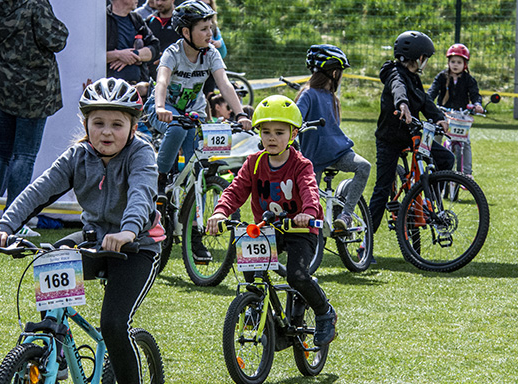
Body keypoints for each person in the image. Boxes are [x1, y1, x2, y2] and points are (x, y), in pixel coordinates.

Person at [0, 78, 164, 384]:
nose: (106, 132)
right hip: (94, 239)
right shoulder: (76, 157)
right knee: (51, 259)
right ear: (86, 125)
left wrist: (130, 229)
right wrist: (5, 226)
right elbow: (39, 190)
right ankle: (55, 350)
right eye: (98, 122)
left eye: (117, 124)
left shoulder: (142, 154)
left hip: (138, 246)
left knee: (115, 324)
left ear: (132, 127)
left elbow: (141, 193)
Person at [206, 95, 336, 347]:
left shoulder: (301, 165)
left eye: (279, 132)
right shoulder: (254, 163)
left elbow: (310, 189)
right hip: (266, 229)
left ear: (293, 134)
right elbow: (235, 190)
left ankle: (324, 312)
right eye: (266, 132)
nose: (272, 138)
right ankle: (257, 310)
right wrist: (220, 212)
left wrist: (308, 212)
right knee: (251, 272)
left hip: (300, 229)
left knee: (297, 276)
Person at [146, 0, 251, 260]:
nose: (210, 33)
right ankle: (160, 179)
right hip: (164, 110)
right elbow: (161, 81)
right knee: (178, 129)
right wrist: (160, 106)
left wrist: (239, 113)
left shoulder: (211, 53)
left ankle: (194, 235)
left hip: (194, 113)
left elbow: (225, 84)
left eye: (211, 27)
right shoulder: (173, 53)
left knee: (198, 170)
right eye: (203, 28)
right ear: (185, 32)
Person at [0, 0, 68, 236]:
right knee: (24, 156)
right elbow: (56, 39)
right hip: (34, 91)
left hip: (5, 86)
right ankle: (15, 220)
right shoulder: (35, 3)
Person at [368, 30, 453, 244]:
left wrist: (440, 117)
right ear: (418, 57)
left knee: (446, 159)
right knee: (383, 188)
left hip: (412, 136)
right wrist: (402, 104)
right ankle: (365, 241)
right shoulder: (393, 72)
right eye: (426, 57)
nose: (426, 62)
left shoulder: (415, 79)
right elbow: (398, 87)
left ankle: (429, 201)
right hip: (390, 139)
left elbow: (425, 101)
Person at [295, 44, 371, 234]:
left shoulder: (332, 97)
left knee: (364, 166)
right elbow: (295, 120)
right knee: (307, 202)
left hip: (338, 152)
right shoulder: (308, 94)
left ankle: (346, 214)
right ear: (334, 73)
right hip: (313, 159)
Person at [427, 43, 483, 179]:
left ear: (465, 64)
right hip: (443, 114)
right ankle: (431, 166)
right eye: (453, 61)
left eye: (459, 62)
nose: (455, 65)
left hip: (460, 116)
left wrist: (477, 104)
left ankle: (467, 173)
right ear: (448, 62)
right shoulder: (441, 77)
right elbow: (432, 91)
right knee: (436, 138)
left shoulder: (469, 80)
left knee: (466, 142)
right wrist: (428, 102)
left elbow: (475, 94)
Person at [107, 0, 159, 84]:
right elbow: (90, 56)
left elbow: (155, 47)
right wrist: (118, 55)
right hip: (109, 90)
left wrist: (133, 55)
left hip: (138, 87)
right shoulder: (102, 20)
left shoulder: (136, 19)